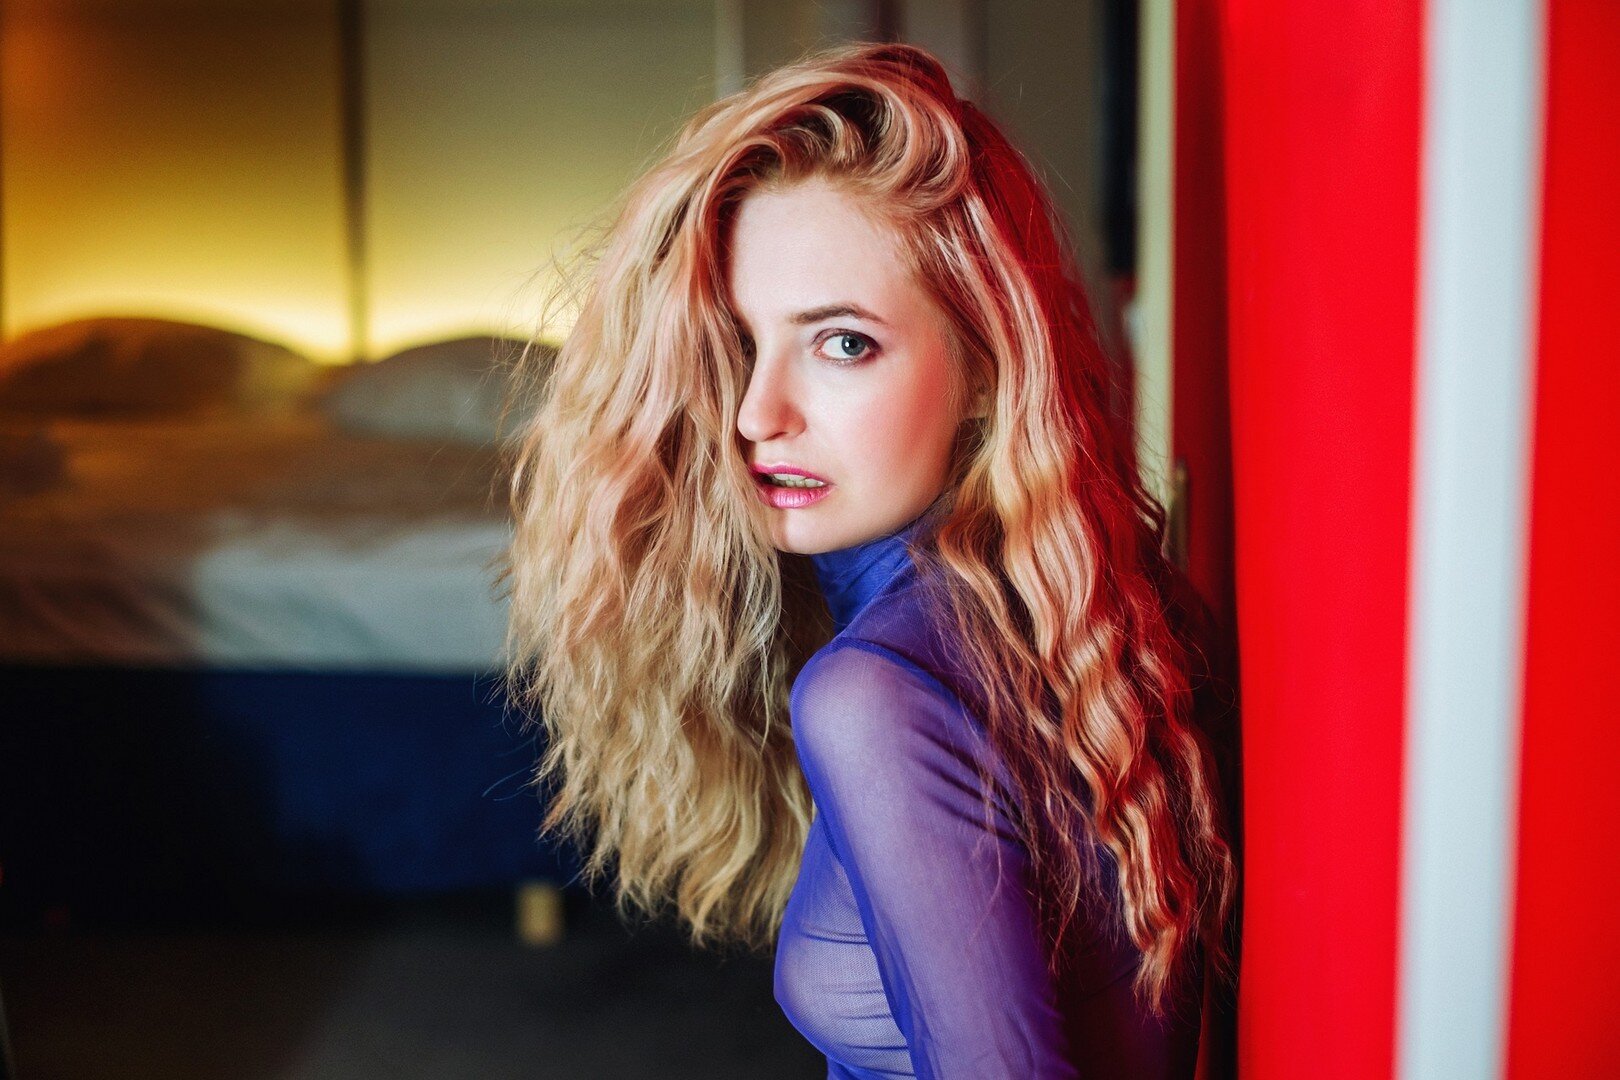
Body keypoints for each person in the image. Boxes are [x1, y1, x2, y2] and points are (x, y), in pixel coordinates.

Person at [502, 41, 1237, 1078]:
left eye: (842, 343)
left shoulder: (876, 691)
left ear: (985, 367)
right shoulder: (1106, 608)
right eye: (739, 343)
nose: (757, 414)